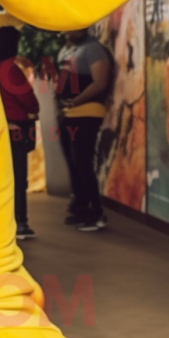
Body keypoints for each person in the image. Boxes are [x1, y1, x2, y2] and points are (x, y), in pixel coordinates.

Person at [56, 28, 112, 232]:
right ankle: (80, 206)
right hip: (68, 113)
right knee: (73, 163)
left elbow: (100, 82)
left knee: (82, 162)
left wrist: (75, 101)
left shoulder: (93, 49)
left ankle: (95, 212)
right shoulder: (66, 50)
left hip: (87, 112)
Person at [0, 26, 40, 240]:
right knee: (19, 178)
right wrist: (33, 110)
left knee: (0, 178)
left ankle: (2, 223)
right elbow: (28, 99)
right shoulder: (9, 68)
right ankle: (20, 222)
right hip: (17, 127)